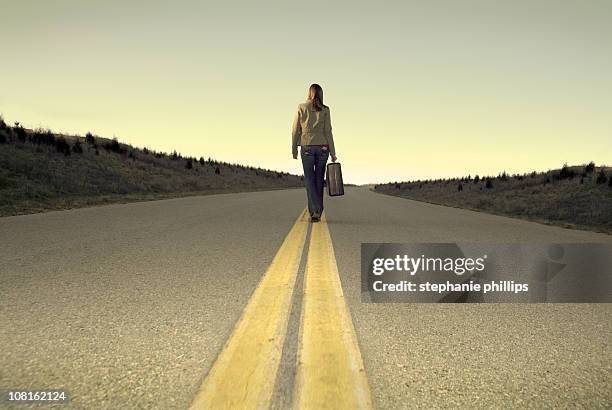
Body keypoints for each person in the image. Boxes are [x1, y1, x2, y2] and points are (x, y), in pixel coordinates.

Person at [292, 84, 337, 223]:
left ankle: (314, 211)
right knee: (319, 179)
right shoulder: (325, 110)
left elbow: (295, 130)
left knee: (309, 179)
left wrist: (294, 148)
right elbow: (328, 131)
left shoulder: (301, 107)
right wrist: (333, 152)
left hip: (306, 147)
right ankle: (318, 209)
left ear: (309, 93)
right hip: (323, 147)